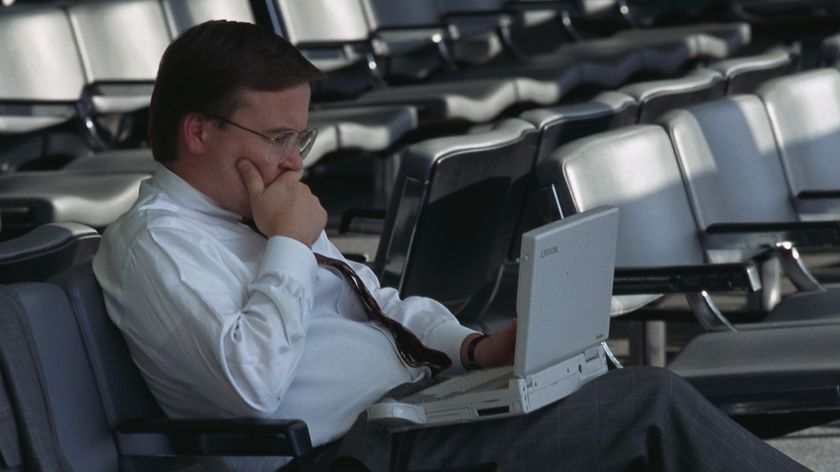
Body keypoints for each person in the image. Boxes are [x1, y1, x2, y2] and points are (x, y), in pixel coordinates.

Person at [93, 20, 810, 472]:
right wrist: (286, 247)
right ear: (198, 132)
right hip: (348, 455)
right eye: (279, 139)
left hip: (421, 413)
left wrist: (473, 350)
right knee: (647, 406)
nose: (294, 161)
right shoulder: (158, 245)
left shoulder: (253, 213)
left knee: (606, 383)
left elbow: (383, 306)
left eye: (299, 138)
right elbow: (248, 393)